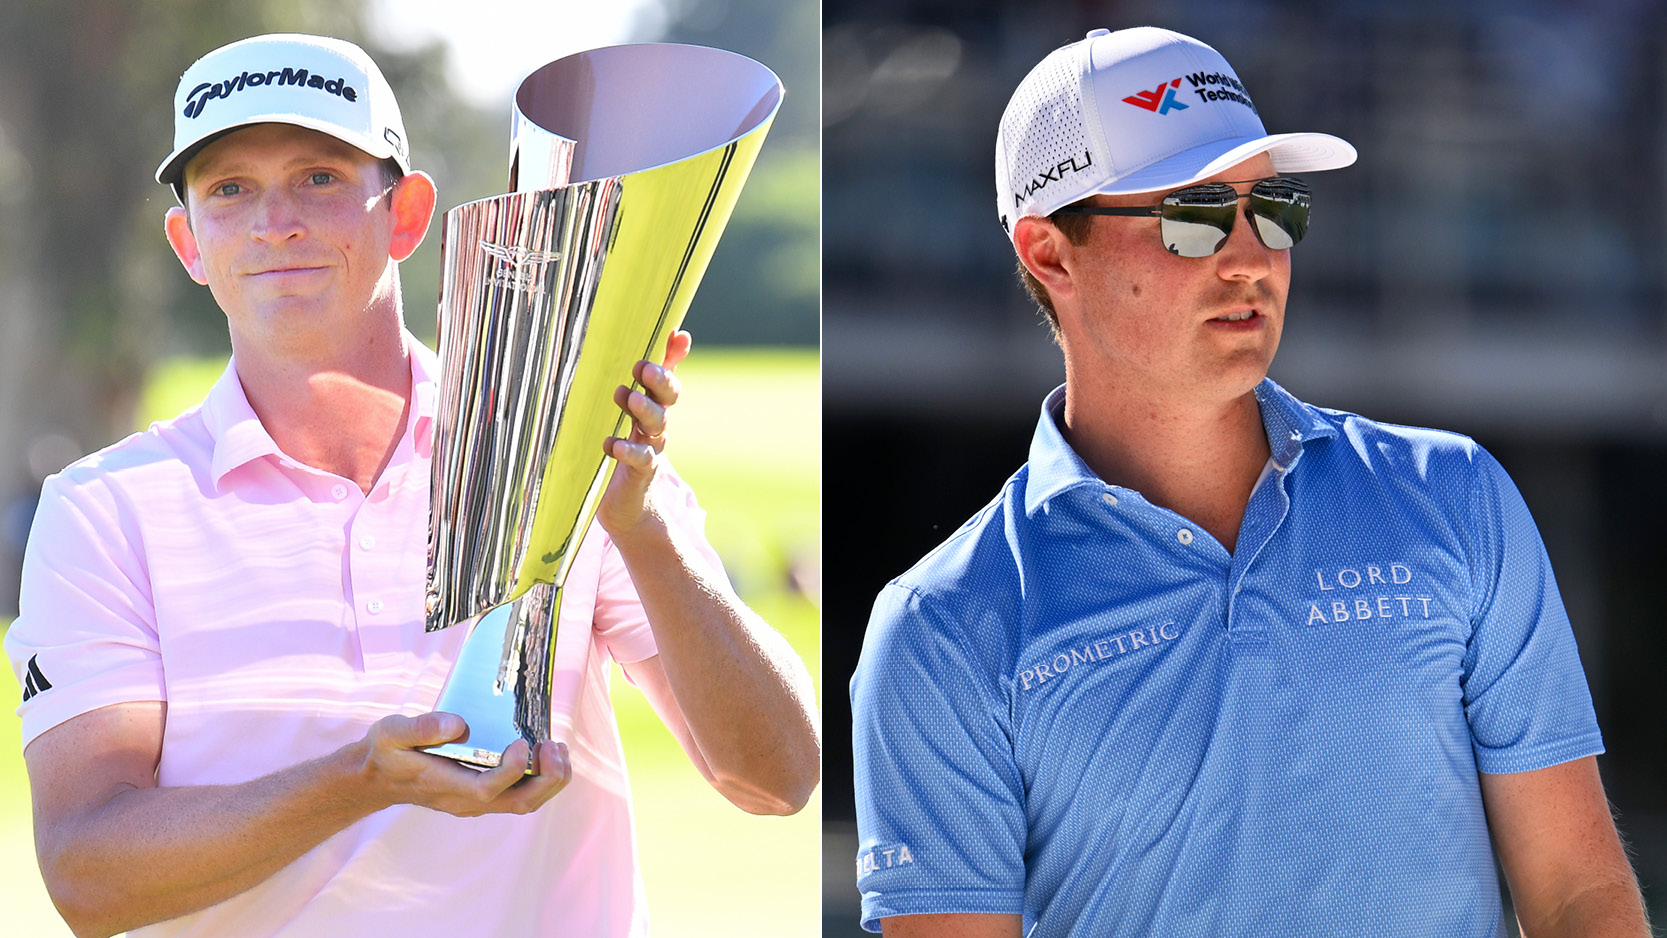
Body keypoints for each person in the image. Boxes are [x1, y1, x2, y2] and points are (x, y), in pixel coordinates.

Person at [5, 33, 819, 938]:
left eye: (319, 176)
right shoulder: (105, 510)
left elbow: (777, 776)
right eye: (230, 190)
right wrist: (357, 782)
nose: (277, 221)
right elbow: (87, 875)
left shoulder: (563, 446)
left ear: (406, 213)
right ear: (188, 241)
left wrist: (639, 526)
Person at [849, 26, 1647, 938]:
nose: (1250, 258)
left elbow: (1576, 894)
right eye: (1192, 215)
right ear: (1048, 253)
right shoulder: (943, 627)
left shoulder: (1454, 496)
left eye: (1271, 209)